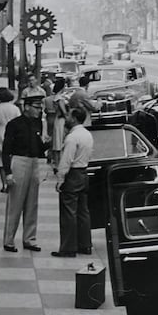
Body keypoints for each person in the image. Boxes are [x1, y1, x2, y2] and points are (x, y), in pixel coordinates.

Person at [2, 95, 51, 253]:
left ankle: (29, 238)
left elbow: (38, 147)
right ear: (27, 107)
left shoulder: (37, 124)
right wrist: (8, 173)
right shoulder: (14, 124)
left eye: (40, 108)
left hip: (34, 162)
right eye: (37, 107)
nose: (39, 111)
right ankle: (9, 240)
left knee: (32, 203)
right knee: (15, 204)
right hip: (19, 162)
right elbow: (6, 150)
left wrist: (49, 143)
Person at [52, 107, 94, 258]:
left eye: (69, 116)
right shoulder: (87, 135)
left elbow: (66, 160)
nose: (67, 118)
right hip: (84, 172)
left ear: (75, 118)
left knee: (68, 212)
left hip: (72, 174)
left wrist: (60, 178)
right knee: (83, 212)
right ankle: (85, 244)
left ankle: (68, 247)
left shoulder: (72, 137)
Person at [0, 87, 21, 192]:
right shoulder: (15, 108)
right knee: (12, 158)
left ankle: (4, 185)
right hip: (13, 133)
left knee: (1, 160)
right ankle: (12, 181)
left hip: (0, 132)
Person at [42, 81, 58, 166]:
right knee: (56, 137)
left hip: (49, 117)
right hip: (55, 116)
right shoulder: (58, 98)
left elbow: (44, 110)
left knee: (50, 135)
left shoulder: (46, 99)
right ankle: (53, 155)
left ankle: (49, 153)